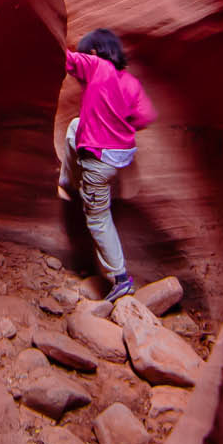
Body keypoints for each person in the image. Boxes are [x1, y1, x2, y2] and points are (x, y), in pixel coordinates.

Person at [59, 28, 157, 303]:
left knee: (98, 218)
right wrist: (121, 124)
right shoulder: (130, 81)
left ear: (92, 52)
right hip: (120, 156)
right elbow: (146, 115)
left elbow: (65, 59)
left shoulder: (94, 65)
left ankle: (121, 278)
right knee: (74, 127)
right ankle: (69, 181)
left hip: (98, 159)